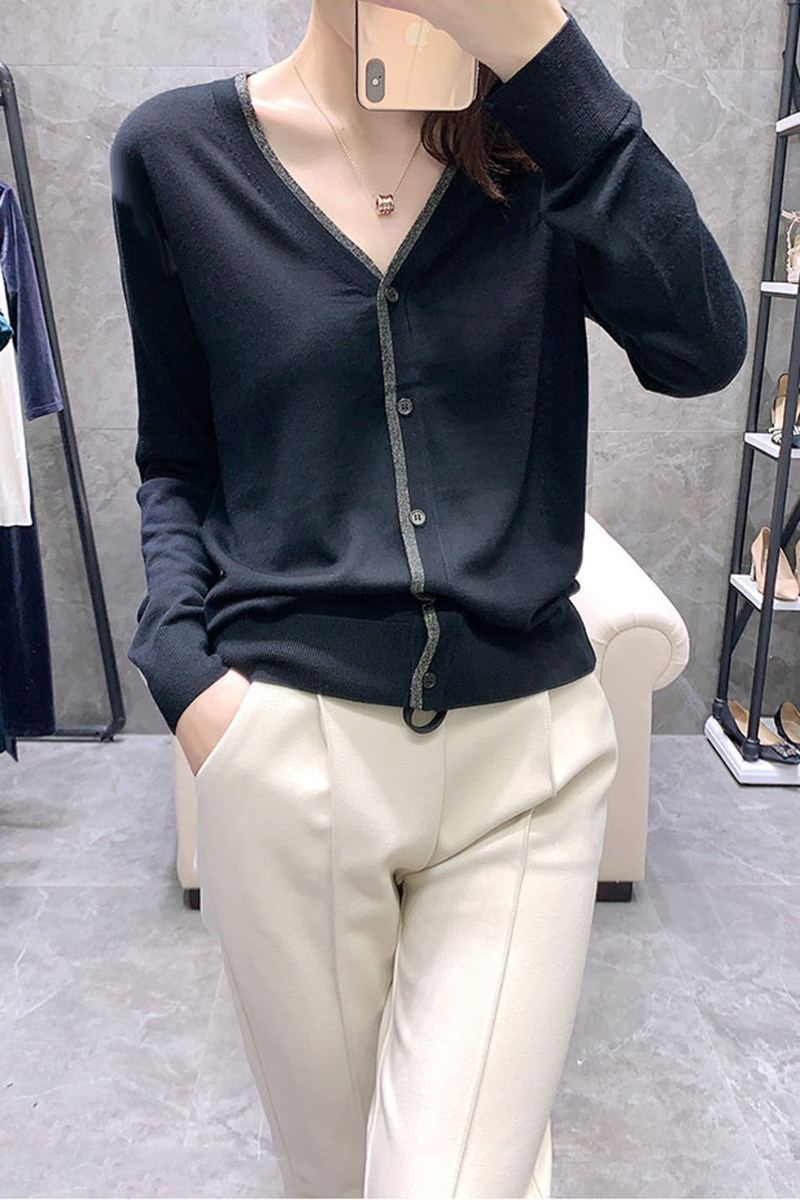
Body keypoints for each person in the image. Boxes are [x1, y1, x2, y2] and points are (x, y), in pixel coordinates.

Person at [109, 1, 748, 1195]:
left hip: (526, 770)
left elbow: (701, 348)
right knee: (335, 1177)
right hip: (287, 761)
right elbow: (177, 462)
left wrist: (542, 56)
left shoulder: (542, 150)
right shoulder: (175, 154)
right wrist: (187, 677)